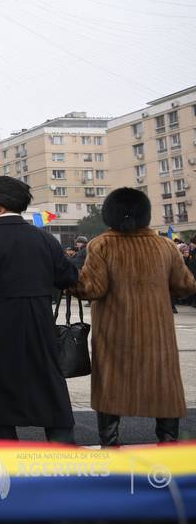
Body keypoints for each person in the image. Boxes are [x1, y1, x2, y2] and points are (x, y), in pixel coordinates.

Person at [0, 177, 77, 444]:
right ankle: (62, 445)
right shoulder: (44, 240)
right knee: (47, 382)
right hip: (38, 324)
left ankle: (5, 449)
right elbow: (67, 277)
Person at [72, 188, 196, 445]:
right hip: (158, 334)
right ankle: (168, 443)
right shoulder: (165, 245)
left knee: (110, 387)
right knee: (163, 386)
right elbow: (186, 285)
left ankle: (110, 443)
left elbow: (92, 289)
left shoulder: (101, 245)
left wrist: (69, 283)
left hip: (113, 333)